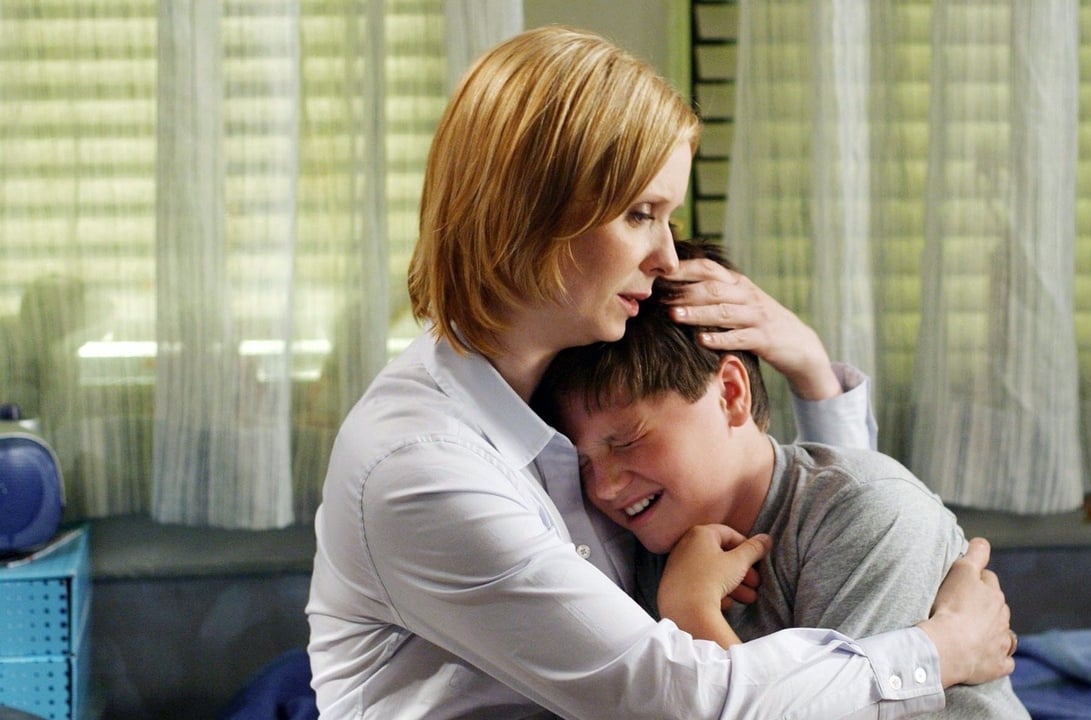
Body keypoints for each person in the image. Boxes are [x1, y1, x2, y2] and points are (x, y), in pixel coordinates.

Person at [306, 25, 1015, 720]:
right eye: (641, 214)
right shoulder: (424, 469)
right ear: (529, 214)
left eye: (667, 218)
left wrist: (807, 367)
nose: (667, 258)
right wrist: (941, 648)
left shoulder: (557, 394)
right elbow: (677, 698)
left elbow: (823, 521)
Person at [533, 239, 1029, 718]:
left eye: (627, 441)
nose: (605, 487)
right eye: (583, 464)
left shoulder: (868, 511)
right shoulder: (645, 551)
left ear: (730, 394)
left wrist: (690, 614)